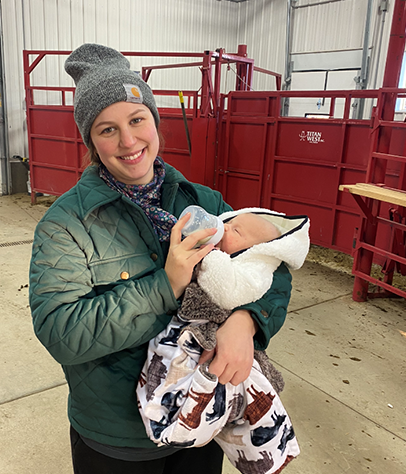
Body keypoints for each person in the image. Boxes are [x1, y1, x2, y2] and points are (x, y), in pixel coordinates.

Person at [28, 43, 293, 474]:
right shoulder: (67, 223)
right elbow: (61, 331)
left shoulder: (202, 201)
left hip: (204, 415)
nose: (128, 141)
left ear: (154, 121)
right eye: (107, 129)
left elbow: (270, 266)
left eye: (137, 120)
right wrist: (166, 285)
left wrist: (248, 322)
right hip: (117, 435)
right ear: (91, 142)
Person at [137, 208, 309, 474]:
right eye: (230, 223)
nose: (224, 227)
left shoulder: (254, 267)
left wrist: (246, 320)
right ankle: (163, 410)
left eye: (236, 231)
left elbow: (231, 290)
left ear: (256, 250)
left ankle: (264, 452)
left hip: (209, 342)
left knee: (221, 394)